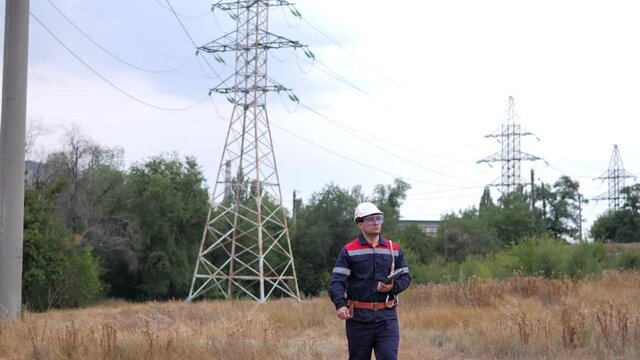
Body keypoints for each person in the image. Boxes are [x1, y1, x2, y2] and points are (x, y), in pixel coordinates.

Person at [328, 202, 411, 360]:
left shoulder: (394, 249)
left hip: (387, 318)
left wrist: (392, 288)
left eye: (379, 219)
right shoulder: (349, 250)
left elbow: (406, 278)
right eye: (371, 219)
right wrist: (340, 304)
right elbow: (337, 282)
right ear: (360, 224)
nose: (376, 223)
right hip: (358, 319)